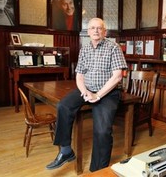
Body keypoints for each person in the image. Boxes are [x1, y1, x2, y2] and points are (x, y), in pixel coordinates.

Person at [46, 18, 128, 172]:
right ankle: (65, 151)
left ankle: (98, 171)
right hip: (87, 88)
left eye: (99, 28)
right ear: (88, 32)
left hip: (108, 93)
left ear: (104, 31)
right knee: (63, 105)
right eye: (92, 28)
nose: (96, 31)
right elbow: (79, 75)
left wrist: (97, 95)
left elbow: (117, 76)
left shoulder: (113, 47)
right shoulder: (85, 48)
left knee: (102, 131)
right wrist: (84, 91)